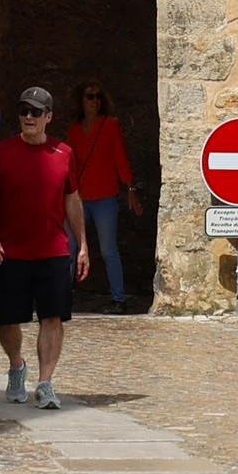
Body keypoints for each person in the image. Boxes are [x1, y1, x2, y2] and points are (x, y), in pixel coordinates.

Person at [0, 85, 87, 409]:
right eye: (24, 111)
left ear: (48, 117)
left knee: (52, 317)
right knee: (7, 319)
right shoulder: (1, 153)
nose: (28, 117)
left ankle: (45, 383)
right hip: (10, 251)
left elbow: (72, 200)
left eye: (35, 112)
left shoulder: (64, 154)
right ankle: (16, 366)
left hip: (53, 250)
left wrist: (82, 245)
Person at [69, 79, 143, 311]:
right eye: (90, 97)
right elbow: (69, 165)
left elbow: (120, 158)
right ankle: (61, 296)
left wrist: (131, 190)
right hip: (80, 199)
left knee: (108, 249)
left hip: (105, 198)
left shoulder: (110, 125)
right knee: (68, 247)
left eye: (98, 97)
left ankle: (118, 299)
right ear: (81, 101)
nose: (94, 101)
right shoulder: (74, 130)